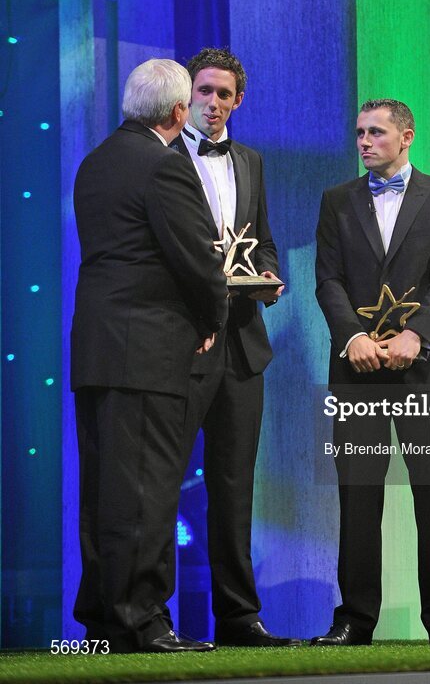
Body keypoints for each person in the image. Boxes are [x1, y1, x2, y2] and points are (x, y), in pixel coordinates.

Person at [71, 58, 229, 653]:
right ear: (179, 112)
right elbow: (197, 260)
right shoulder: (166, 166)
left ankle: (103, 622)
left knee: (104, 491)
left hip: (97, 350)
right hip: (149, 351)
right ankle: (142, 623)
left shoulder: (95, 161)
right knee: (147, 491)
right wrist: (213, 317)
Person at [313, 99, 430, 646]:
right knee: (358, 495)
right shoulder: (337, 201)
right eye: (359, 132)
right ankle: (355, 618)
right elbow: (327, 281)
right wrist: (353, 338)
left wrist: (415, 335)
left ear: (406, 136)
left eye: (375, 132)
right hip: (357, 373)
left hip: (425, 371)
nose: (363, 141)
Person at [170, 46, 300, 647]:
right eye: (205, 92)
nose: (214, 103)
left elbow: (262, 241)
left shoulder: (249, 160)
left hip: (244, 345)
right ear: (185, 97)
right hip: (179, 343)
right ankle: (148, 620)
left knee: (233, 484)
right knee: (161, 481)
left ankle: (240, 618)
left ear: (238, 101)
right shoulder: (162, 158)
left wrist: (269, 278)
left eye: (225, 94)